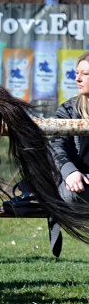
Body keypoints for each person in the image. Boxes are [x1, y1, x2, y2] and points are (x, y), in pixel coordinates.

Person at [48, 50, 89, 255]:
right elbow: (55, 144)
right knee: (71, 193)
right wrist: (70, 171)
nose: (77, 79)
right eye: (77, 73)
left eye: (85, 74)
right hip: (79, 185)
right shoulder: (68, 109)